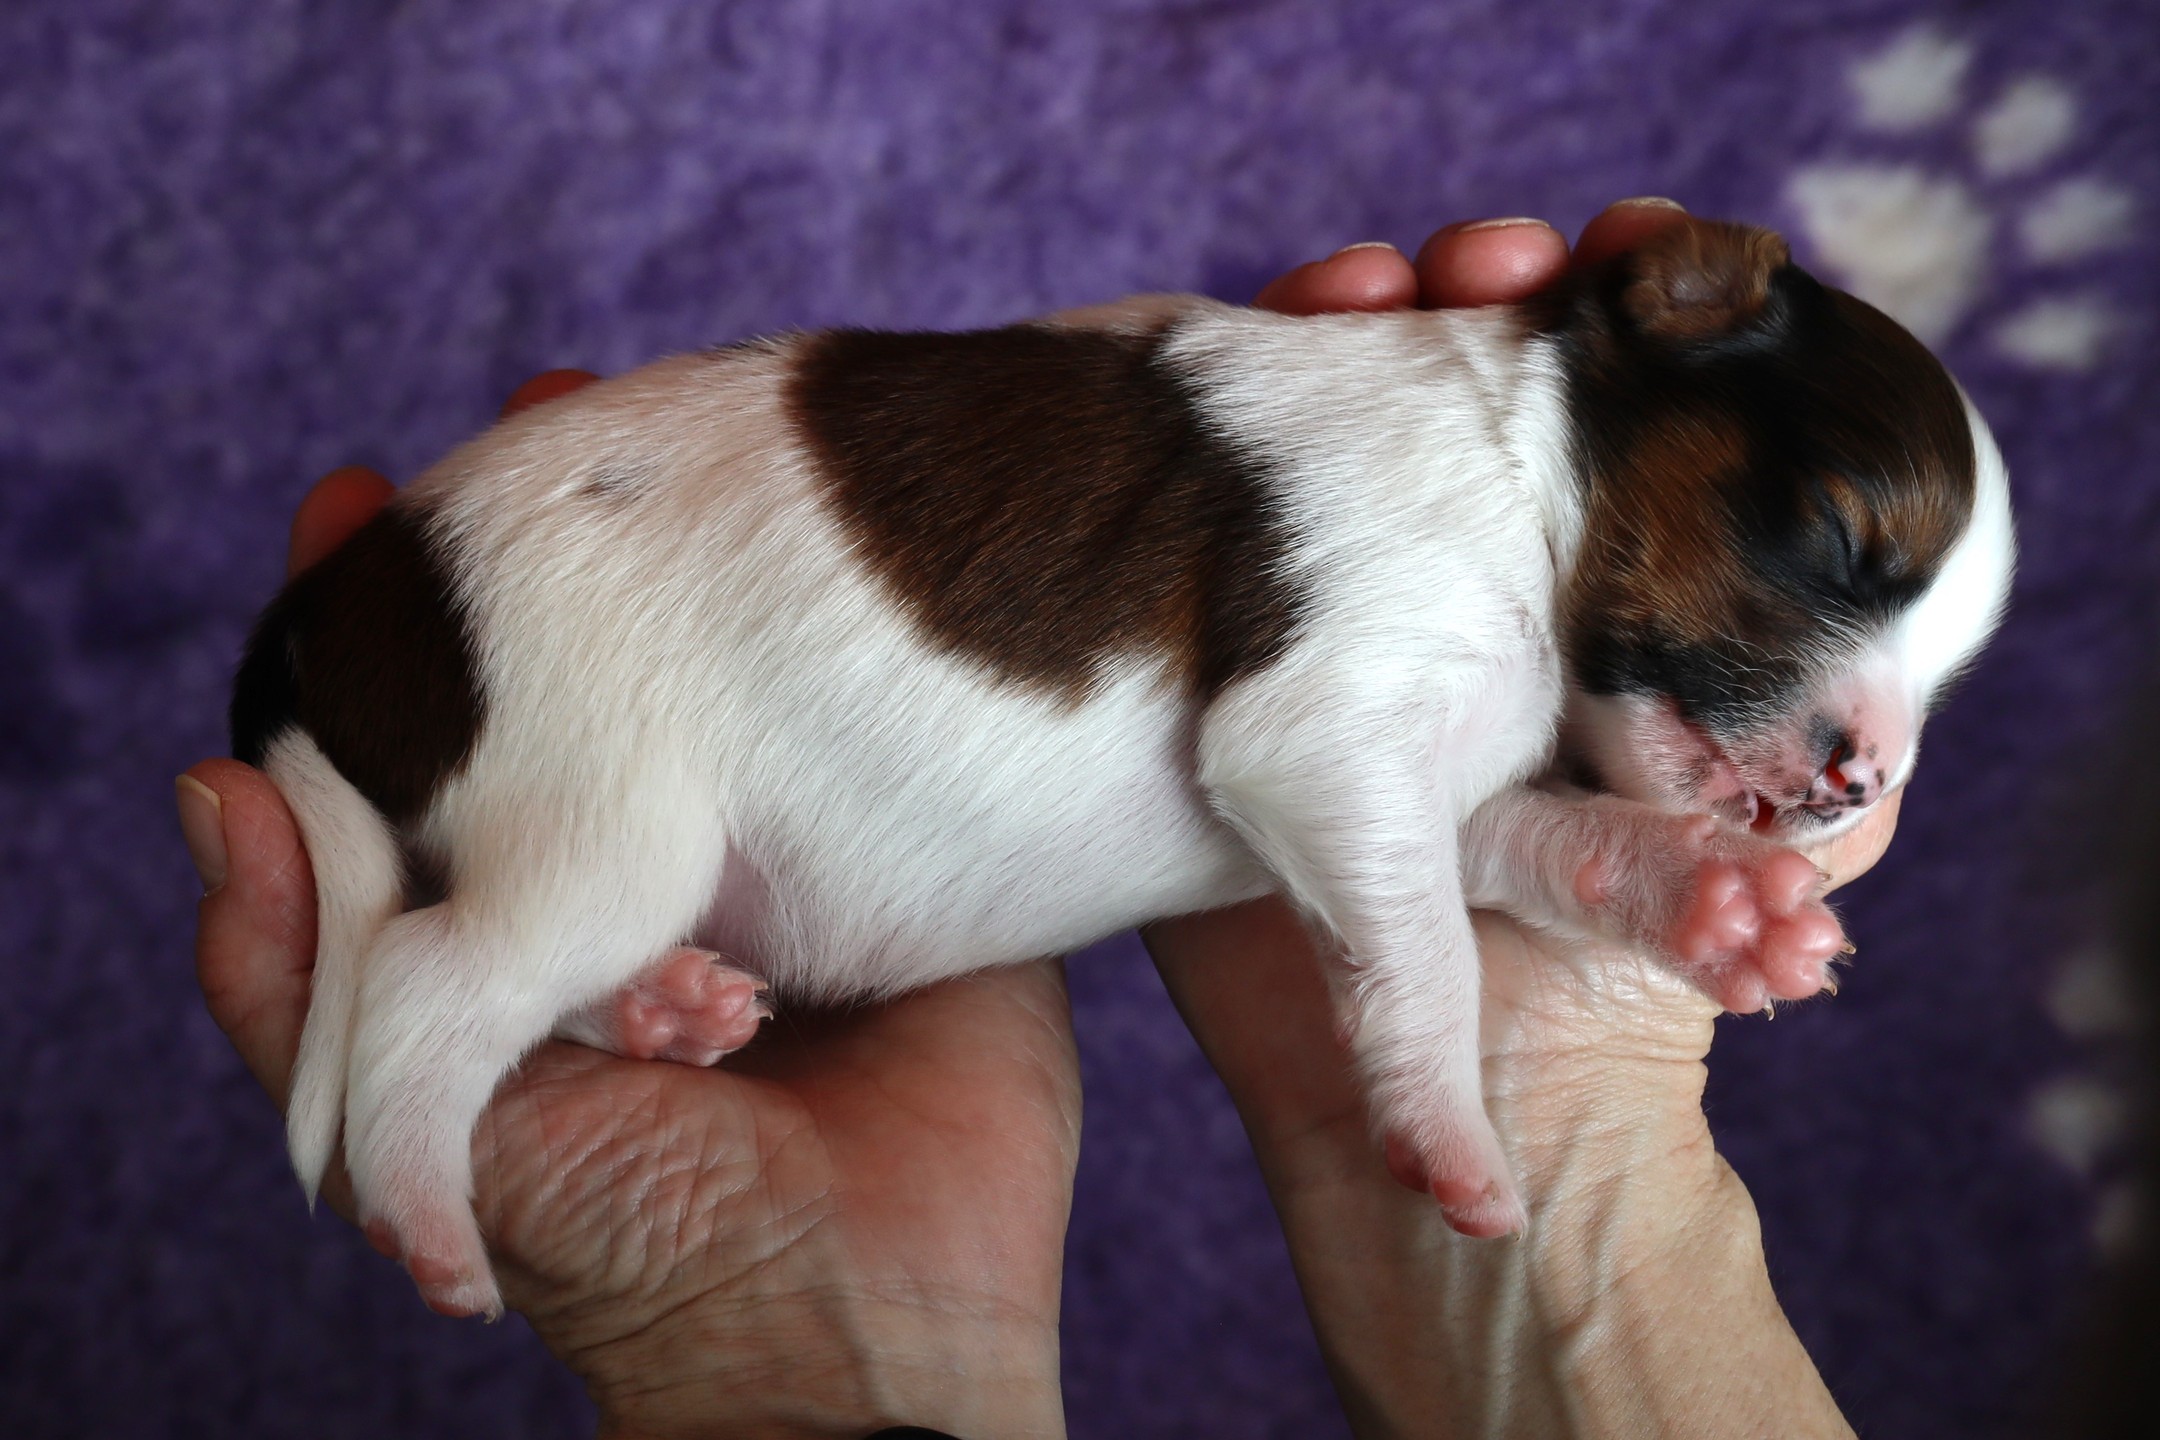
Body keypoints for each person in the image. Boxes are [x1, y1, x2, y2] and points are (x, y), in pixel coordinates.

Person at [174, 199, 1895, 1439]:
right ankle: (445, 1023)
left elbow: (1405, 798)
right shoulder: (1417, 477)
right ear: (1672, 330)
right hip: (605, 588)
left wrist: (1615, 879)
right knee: (603, 866)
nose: (1858, 751)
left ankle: (554, 983)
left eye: (1918, 670)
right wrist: (1432, 1041)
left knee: (623, 884)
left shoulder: (1489, 635)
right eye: (1843, 561)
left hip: (772, 707)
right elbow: (1315, 752)